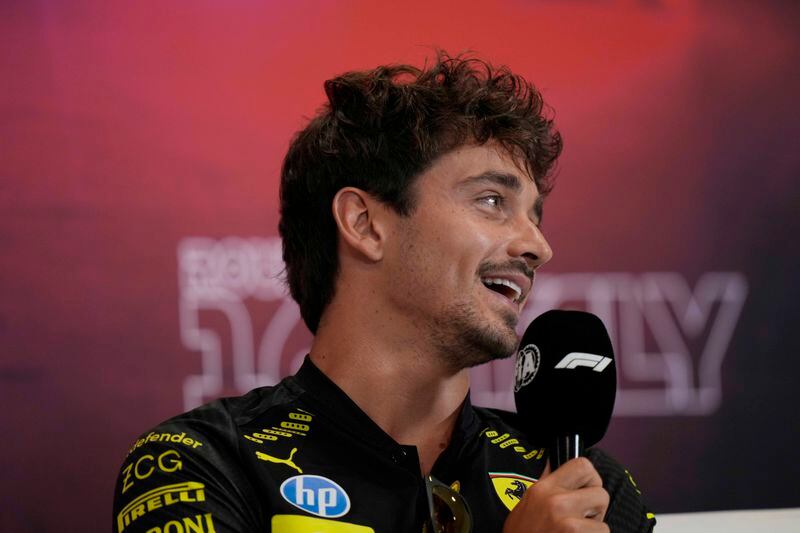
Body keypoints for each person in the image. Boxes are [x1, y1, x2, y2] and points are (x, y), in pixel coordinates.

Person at [113, 52, 656, 533]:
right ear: (366, 224)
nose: (537, 245)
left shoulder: (583, 484)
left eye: (536, 217)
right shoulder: (201, 464)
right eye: (492, 201)